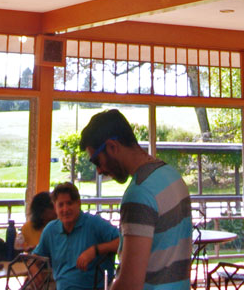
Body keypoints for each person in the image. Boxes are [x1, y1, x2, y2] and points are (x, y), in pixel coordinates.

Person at [79, 108, 192, 290]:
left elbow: (130, 284)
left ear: (112, 147)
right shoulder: (172, 176)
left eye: (96, 161)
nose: (99, 171)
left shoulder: (139, 194)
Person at [34, 182, 119, 290]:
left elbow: (123, 243)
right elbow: (35, 258)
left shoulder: (94, 223)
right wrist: (33, 267)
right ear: (55, 207)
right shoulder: (51, 230)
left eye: (69, 203)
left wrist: (95, 250)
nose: (65, 209)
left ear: (78, 203)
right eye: (61, 205)